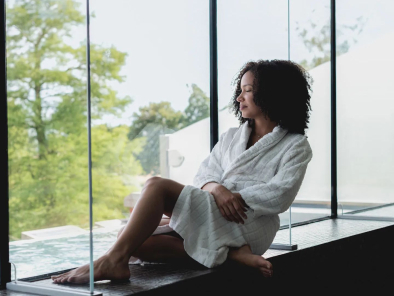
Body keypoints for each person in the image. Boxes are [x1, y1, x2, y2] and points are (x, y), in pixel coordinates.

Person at [52, 59, 313, 284]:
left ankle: (112, 261)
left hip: (249, 223)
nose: (239, 98)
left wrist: (231, 199)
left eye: (247, 91)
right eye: (239, 91)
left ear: (272, 94)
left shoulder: (295, 145)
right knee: (132, 238)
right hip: (218, 210)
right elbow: (204, 175)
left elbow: (280, 195)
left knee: (156, 186)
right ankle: (231, 255)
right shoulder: (232, 136)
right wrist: (217, 191)